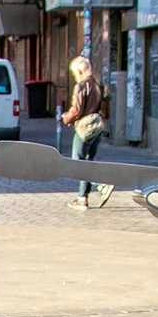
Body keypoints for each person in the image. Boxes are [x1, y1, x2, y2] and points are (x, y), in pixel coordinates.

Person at [63, 55, 112, 210]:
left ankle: (102, 184)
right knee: (88, 160)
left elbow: (77, 110)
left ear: (79, 70)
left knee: (77, 161)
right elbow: (106, 108)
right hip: (98, 126)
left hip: (85, 127)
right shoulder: (99, 84)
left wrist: (66, 118)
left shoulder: (82, 86)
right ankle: (83, 197)